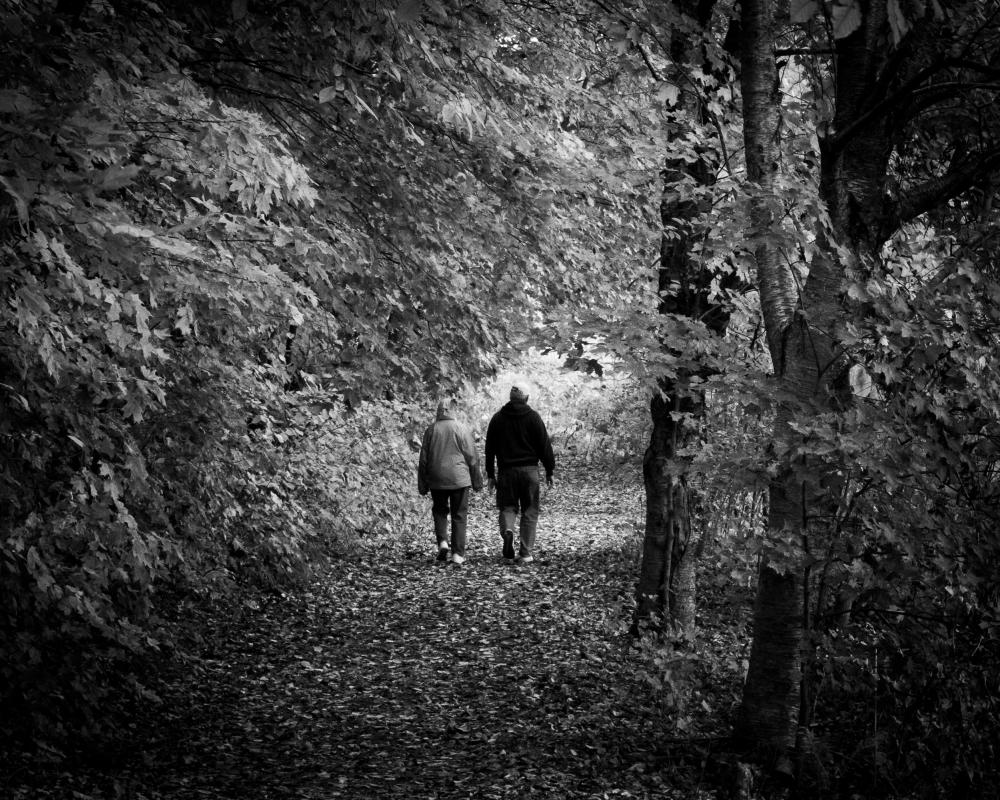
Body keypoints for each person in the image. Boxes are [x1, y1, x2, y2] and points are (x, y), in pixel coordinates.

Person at [484, 383, 555, 564]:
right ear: (527, 398)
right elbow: (544, 446)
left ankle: (508, 530)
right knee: (530, 511)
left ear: (510, 398)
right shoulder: (534, 418)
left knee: (508, 507)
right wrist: (549, 470)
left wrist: (491, 474)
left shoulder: (498, 419)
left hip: (507, 472)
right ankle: (525, 553)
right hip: (530, 472)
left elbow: (489, 449)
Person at [417, 398, 483, 565]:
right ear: (454, 411)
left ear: (438, 411)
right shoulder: (461, 428)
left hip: (436, 478)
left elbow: (423, 459)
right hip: (459, 479)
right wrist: (477, 481)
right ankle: (457, 554)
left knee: (439, 511)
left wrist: (422, 483)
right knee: (459, 515)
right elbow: (472, 457)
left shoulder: (431, 430)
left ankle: (443, 542)